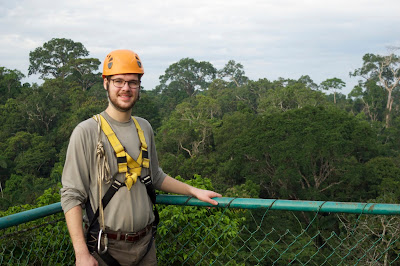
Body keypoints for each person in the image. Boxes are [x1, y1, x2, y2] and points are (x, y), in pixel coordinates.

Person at [60, 49, 222, 266]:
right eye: (118, 81)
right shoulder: (88, 132)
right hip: (104, 247)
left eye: (132, 82)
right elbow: (72, 195)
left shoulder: (143, 127)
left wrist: (193, 190)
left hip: (145, 246)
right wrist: (81, 254)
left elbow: (154, 176)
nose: (126, 88)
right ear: (105, 83)